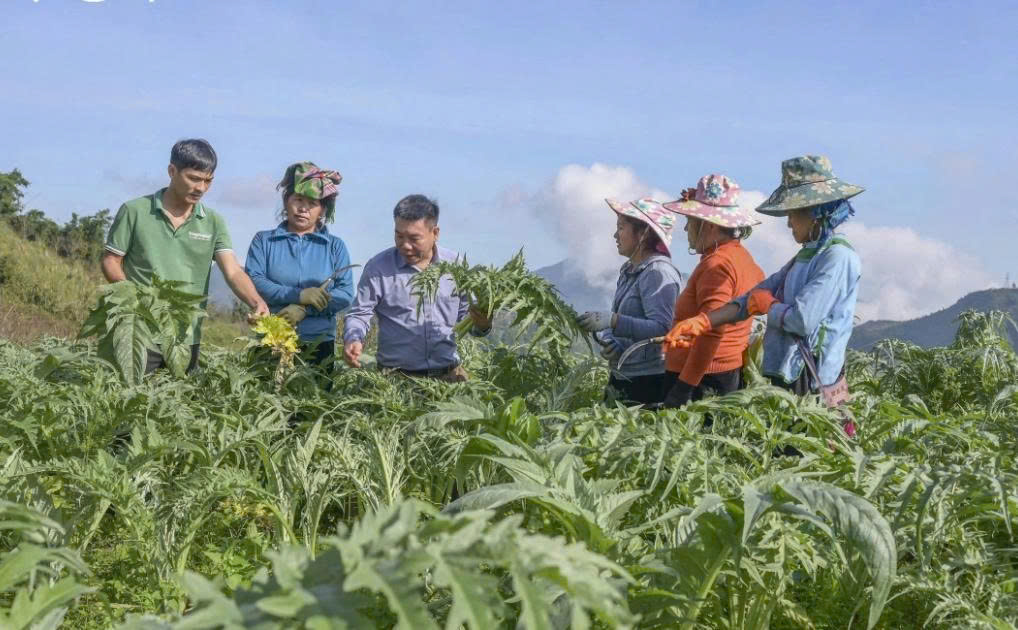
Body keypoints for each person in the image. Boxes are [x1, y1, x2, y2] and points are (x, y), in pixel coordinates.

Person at [664, 155, 863, 396]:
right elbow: (752, 298)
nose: (789, 223)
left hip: (813, 378)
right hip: (790, 371)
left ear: (815, 213)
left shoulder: (837, 257)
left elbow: (802, 320)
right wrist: (704, 322)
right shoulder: (806, 255)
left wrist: (770, 306)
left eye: (792, 213)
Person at [102, 139, 268, 373]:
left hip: (186, 337)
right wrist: (134, 296)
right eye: (194, 178)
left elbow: (232, 271)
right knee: (133, 394)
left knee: (181, 394)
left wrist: (256, 301)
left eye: (208, 181)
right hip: (137, 332)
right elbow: (111, 260)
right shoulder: (134, 211)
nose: (201, 188)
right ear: (172, 171)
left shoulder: (213, 222)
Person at [342, 194, 491, 381]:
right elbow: (359, 313)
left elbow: (467, 320)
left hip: (449, 378)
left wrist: (482, 324)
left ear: (435, 233)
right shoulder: (378, 268)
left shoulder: (456, 266)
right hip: (395, 381)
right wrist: (353, 338)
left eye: (414, 238)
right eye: (399, 236)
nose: (405, 245)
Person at [658, 175, 764, 408]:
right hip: (724, 374)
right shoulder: (743, 259)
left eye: (690, 221)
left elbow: (711, 330)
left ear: (710, 225)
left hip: (701, 380)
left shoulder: (717, 265)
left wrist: (683, 388)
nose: (686, 228)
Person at [244, 162, 355, 366]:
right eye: (298, 199)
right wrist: (298, 295)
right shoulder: (264, 241)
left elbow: (345, 293)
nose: (303, 208)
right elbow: (255, 281)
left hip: (318, 344)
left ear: (322, 210)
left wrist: (304, 309)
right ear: (286, 201)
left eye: (312, 203)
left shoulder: (335, 246)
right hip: (272, 337)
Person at [577, 198, 681, 405]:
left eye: (621, 228)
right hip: (624, 373)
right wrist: (612, 341)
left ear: (643, 234)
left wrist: (614, 321)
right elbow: (617, 315)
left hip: (649, 380)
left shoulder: (658, 272)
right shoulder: (629, 270)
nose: (615, 235)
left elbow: (663, 328)